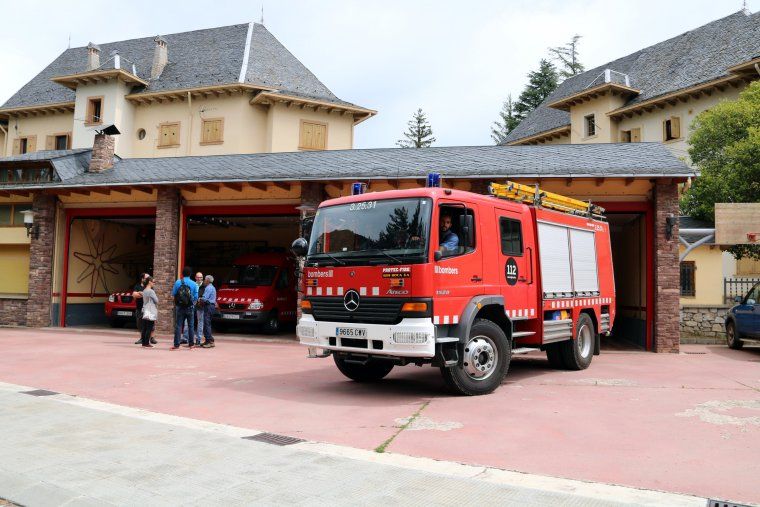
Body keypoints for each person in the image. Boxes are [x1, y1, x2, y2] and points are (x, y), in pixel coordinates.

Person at [171, 266, 199, 349]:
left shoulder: (178, 282)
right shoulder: (194, 284)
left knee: (178, 325)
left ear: (182, 274)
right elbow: (196, 297)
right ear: (190, 274)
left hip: (179, 307)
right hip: (190, 307)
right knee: (191, 325)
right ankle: (191, 344)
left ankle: (176, 344)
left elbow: (173, 294)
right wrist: (192, 303)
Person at [132, 273, 157, 345]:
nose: (149, 279)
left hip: (148, 309)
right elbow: (134, 295)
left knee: (150, 325)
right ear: (142, 279)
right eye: (147, 278)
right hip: (140, 308)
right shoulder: (137, 286)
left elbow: (151, 296)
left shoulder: (150, 287)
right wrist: (144, 294)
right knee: (141, 325)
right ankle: (142, 339)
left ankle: (152, 338)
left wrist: (141, 293)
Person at [139, 276, 159, 348]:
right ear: (149, 282)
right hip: (150, 310)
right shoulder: (151, 291)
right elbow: (156, 301)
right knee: (149, 327)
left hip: (144, 309)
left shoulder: (144, 290)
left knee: (144, 327)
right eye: (153, 282)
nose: (154, 283)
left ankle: (143, 342)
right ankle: (147, 343)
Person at [199, 275, 217, 348]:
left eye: (205, 279)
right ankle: (209, 340)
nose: (204, 281)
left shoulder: (208, 288)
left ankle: (209, 341)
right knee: (207, 323)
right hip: (211, 306)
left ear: (208, 281)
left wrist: (200, 299)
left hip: (208, 306)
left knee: (207, 324)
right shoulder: (212, 287)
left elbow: (205, 298)